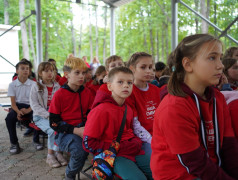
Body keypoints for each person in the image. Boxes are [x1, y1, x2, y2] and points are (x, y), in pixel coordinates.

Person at [151, 34, 238, 180]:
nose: (221, 65)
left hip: (211, 169)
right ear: (188, 65)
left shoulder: (218, 98)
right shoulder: (174, 107)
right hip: (180, 175)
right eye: (212, 58)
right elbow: (195, 163)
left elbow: (229, 146)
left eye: (220, 58)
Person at [83, 67, 153, 180]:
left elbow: (129, 132)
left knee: (158, 172)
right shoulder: (101, 110)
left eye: (129, 82)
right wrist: (119, 147)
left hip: (133, 150)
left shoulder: (128, 109)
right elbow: (88, 143)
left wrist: (135, 142)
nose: (126, 85)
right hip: (114, 155)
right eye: (120, 82)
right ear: (110, 86)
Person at [49, 57, 94, 180]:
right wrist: (76, 131)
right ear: (67, 75)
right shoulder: (59, 95)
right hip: (64, 133)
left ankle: (101, 172)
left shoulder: (87, 93)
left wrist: (87, 128)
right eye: (77, 73)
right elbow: (53, 123)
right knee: (80, 150)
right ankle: (70, 174)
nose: (82, 76)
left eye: (83, 73)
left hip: (85, 129)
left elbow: (92, 115)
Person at [30, 62, 67, 168]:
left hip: (54, 114)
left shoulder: (57, 85)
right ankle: (50, 155)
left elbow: (61, 102)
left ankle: (58, 152)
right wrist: (49, 115)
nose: (50, 73)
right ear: (40, 73)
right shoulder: (35, 86)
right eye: (46, 71)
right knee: (52, 129)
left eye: (52, 70)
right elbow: (34, 105)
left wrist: (57, 114)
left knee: (64, 127)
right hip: (40, 116)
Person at [126, 52, 161, 156]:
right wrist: (153, 140)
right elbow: (135, 125)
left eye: (150, 67)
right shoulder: (129, 91)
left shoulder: (156, 90)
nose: (148, 71)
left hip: (160, 135)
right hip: (143, 139)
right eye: (143, 67)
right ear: (132, 69)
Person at [5, 60, 43, 155]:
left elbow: (36, 101)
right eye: (22, 68)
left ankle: (36, 140)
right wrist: (18, 112)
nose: (25, 70)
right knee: (9, 119)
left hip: (31, 106)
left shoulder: (34, 84)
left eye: (27, 69)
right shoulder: (12, 85)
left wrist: (28, 110)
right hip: (17, 107)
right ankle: (14, 143)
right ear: (17, 71)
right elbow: (13, 103)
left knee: (38, 116)